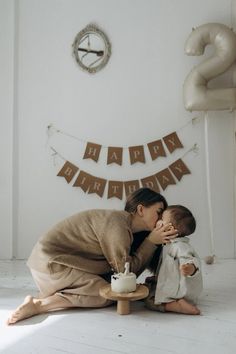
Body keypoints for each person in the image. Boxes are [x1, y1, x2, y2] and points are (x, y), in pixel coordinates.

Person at [7, 187, 178, 325]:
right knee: (107, 296)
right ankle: (39, 305)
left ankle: (53, 295)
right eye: (159, 212)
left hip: (49, 265)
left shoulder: (122, 226)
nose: (161, 220)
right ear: (141, 209)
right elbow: (125, 274)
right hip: (51, 266)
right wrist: (151, 241)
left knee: (110, 287)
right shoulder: (117, 224)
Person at [145, 205, 203, 315]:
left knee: (149, 300)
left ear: (170, 229)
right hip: (175, 287)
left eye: (161, 219)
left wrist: (190, 268)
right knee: (148, 285)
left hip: (179, 292)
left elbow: (191, 259)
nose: (158, 220)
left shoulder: (180, 246)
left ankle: (175, 305)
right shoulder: (169, 245)